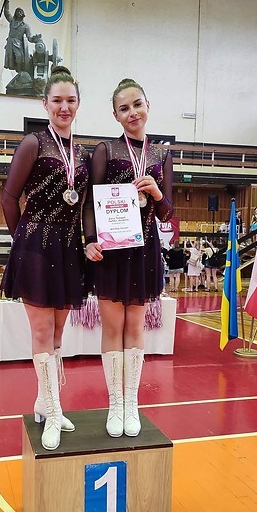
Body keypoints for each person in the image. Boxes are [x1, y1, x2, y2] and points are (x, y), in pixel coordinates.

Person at [0, 66, 89, 451]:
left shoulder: (81, 153)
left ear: (78, 104)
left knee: (56, 335)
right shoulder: (33, 143)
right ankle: (53, 410)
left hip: (68, 250)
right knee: (40, 332)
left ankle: (43, 401)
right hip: (36, 246)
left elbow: (84, 204)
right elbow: (8, 198)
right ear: (45, 104)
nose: (64, 107)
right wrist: (23, 241)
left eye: (70, 100)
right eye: (57, 100)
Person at [83, 78, 173, 438]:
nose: (132, 112)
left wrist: (157, 193)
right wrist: (90, 240)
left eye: (137, 104)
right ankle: (115, 404)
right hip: (112, 251)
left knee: (135, 327)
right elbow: (90, 202)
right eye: (124, 108)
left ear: (148, 105)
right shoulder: (106, 150)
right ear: (115, 115)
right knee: (112, 328)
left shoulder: (162, 155)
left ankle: (132, 404)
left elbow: (167, 212)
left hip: (144, 250)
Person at [3, 0, 41, 74]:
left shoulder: (26, 26)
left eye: (20, 12)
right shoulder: (12, 21)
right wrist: (7, 2)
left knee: (19, 56)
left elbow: (29, 37)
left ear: (23, 14)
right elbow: (7, 13)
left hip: (18, 43)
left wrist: (35, 39)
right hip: (10, 42)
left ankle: (19, 71)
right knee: (10, 58)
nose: (19, 13)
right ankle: (18, 71)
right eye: (17, 12)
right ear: (15, 14)